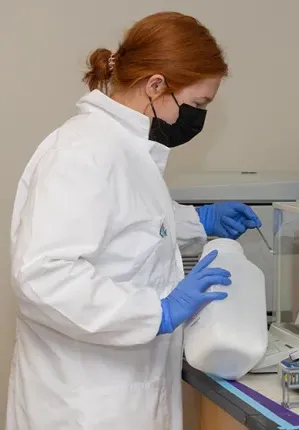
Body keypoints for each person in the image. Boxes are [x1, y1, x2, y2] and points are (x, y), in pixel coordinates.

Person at [6, 11, 262, 430]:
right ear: (156, 85)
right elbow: (43, 277)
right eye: (196, 104)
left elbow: (130, 223)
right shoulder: (82, 153)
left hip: (125, 389)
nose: (197, 117)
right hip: (84, 402)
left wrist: (200, 220)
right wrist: (157, 312)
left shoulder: (127, 149)